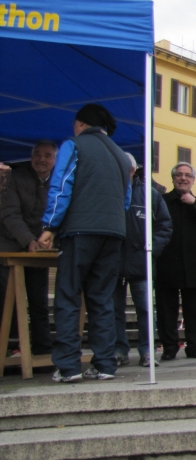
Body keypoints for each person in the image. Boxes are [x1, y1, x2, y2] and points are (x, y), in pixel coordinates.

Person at [38, 104, 132, 382]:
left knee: (68, 296)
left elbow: (61, 186)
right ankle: (105, 364)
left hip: (80, 230)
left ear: (80, 124)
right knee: (102, 299)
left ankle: (68, 366)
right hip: (114, 232)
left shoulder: (74, 145)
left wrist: (49, 226)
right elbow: (125, 200)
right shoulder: (122, 157)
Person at [114, 153, 173, 368]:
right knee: (114, 311)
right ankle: (119, 350)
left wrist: (152, 250)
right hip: (114, 262)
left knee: (146, 310)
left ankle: (147, 351)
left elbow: (165, 226)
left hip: (142, 263)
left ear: (132, 170)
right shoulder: (110, 193)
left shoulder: (150, 195)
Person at [156, 162, 196, 361]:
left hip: (192, 263)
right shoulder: (162, 201)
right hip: (167, 262)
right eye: (179, 175)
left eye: (187, 175)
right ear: (173, 178)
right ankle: (169, 347)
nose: (183, 178)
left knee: (194, 310)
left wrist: (195, 204)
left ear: (193, 180)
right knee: (167, 309)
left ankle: (194, 346)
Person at [0, 141, 58, 356]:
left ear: (54, 160)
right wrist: (28, 241)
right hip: (10, 246)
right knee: (8, 299)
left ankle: (42, 348)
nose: (41, 159)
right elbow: (9, 214)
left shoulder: (58, 183)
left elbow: (58, 214)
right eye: (37, 154)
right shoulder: (16, 177)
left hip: (39, 251)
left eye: (47, 155)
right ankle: (10, 347)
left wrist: (50, 237)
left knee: (38, 300)